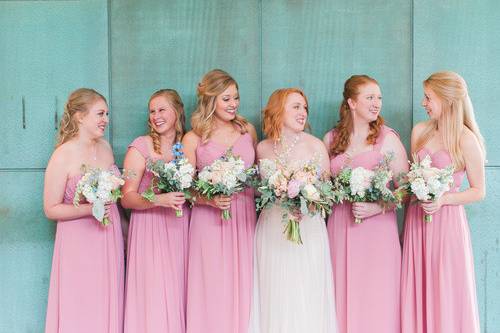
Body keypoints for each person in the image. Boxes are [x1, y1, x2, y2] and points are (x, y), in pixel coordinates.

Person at [401, 71, 485, 333]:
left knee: (446, 289)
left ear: (447, 100)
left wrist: (445, 198)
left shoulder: (466, 139)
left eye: (428, 98)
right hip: (417, 221)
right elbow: (410, 174)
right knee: (419, 288)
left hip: (447, 226)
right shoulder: (420, 132)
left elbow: (478, 190)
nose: (423, 104)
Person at [324, 75, 408, 333]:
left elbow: (406, 188)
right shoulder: (331, 139)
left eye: (379, 97)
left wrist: (378, 207)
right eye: (370, 97)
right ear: (351, 102)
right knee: (340, 292)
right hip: (340, 225)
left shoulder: (388, 138)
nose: (377, 103)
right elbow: (323, 186)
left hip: (377, 231)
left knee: (377, 295)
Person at [249, 88, 337, 333]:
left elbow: (327, 192)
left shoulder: (315, 146)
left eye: (305, 107)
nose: (303, 113)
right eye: (296, 107)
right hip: (272, 227)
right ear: (279, 110)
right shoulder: (262, 148)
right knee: (274, 288)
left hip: (307, 230)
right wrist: (279, 192)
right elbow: (257, 190)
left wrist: (306, 200)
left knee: (305, 287)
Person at [183, 69, 258, 333]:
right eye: (226, 98)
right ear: (211, 99)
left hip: (244, 216)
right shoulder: (193, 138)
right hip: (209, 221)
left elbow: (258, 175)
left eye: (236, 98)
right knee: (211, 286)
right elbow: (185, 188)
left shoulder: (247, 130)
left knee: (245, 285)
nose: (233, 104)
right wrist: (208, 200)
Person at [43, 88, 124, 333]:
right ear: (80, 116)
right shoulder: (63, 155)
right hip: (78, 243)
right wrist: (90, 209)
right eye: (100, 113)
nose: (105, 120)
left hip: (108, 237)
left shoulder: (106, 148)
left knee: (106, 299)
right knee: (81, 302)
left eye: (107, 114)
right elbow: (51, 209)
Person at [122, 89, 189, 332]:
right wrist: (158, 200)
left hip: (181, 229)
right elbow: (126, 197)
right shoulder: (141, 146)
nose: (156, 116)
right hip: (150, 228)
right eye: (152, 111)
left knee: (178, 291)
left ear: (177, 111)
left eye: (162, 109)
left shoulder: (187, 146)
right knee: (153, 295)